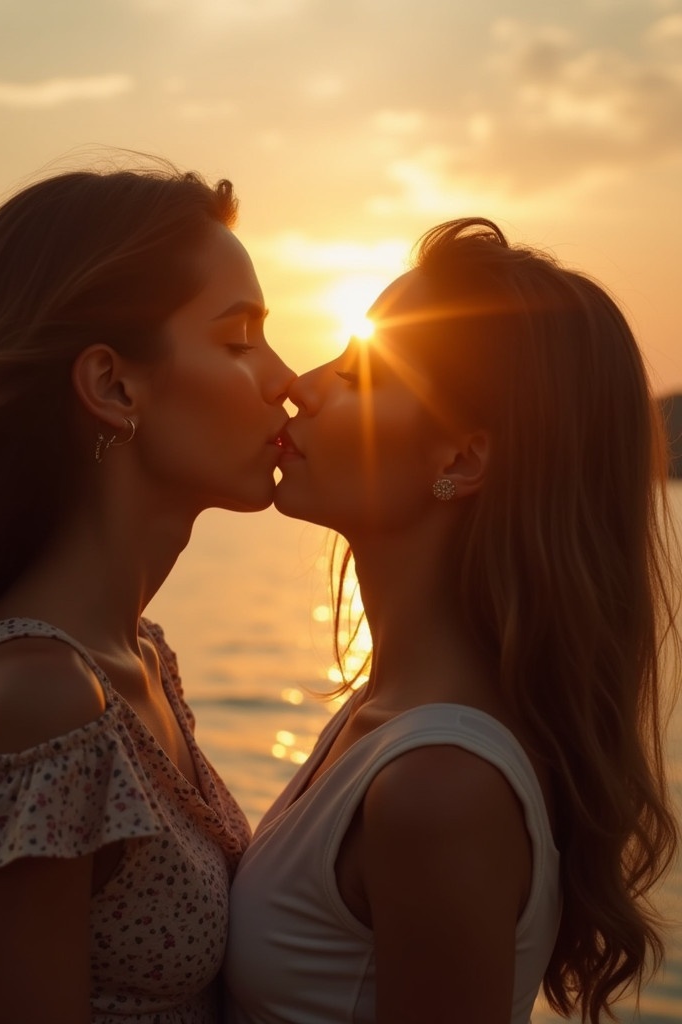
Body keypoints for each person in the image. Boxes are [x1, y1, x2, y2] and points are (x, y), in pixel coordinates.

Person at [225, 218, 680, 1024]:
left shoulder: (440, 789)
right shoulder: (382, 726)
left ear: (461, 460)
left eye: (363, 375)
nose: (305, 382)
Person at [0, 159, 295, 1023]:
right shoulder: (31, 700)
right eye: (240, 340)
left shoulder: (139, 659)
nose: (285, 380)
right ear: (114, 386)